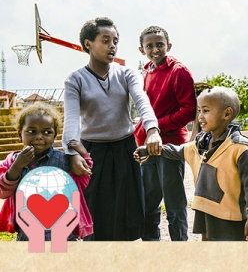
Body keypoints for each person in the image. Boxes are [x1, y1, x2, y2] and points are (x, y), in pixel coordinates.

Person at [63, 17, 162, 241]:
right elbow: (70, 120)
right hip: (92, 153)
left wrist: (153, 130)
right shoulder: (75, 80)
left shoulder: (126, 74)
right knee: (95, 216)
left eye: (115, 40)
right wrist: (71, 154)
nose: (112, 45)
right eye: (105, 40)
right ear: (88, 44)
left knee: (129, 214)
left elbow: (142, 102)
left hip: (125, 150)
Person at [136, 87, 248, 241]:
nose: (200, 117)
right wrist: (148, 150)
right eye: (198, 111)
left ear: (227, 114)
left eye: (206, 110)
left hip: (231, 218)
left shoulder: (239, 147)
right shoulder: (200, 144)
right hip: (206, 212)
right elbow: (176, 150)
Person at [134, 25, 196, 241]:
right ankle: (153, 248)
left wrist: (156, 127)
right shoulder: (148, 71)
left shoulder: (179, 71)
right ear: (142, 50)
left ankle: (179, 250)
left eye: (159, 44)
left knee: (174, 204)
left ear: (168, 46)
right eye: (149, 46)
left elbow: (189, 111)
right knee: (148, 203)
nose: (155, 49)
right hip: (147, 147)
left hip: (169, 147)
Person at [0, 103, 93, 241]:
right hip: (27, 234)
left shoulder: (63, 160)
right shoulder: (12, 160)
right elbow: (3, 192)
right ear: (20, 135)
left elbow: (82, 182)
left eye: (47, 132)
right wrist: (17, 166)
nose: (39, 137)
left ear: (54, 136)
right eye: (31, 131)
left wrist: (83, 154)